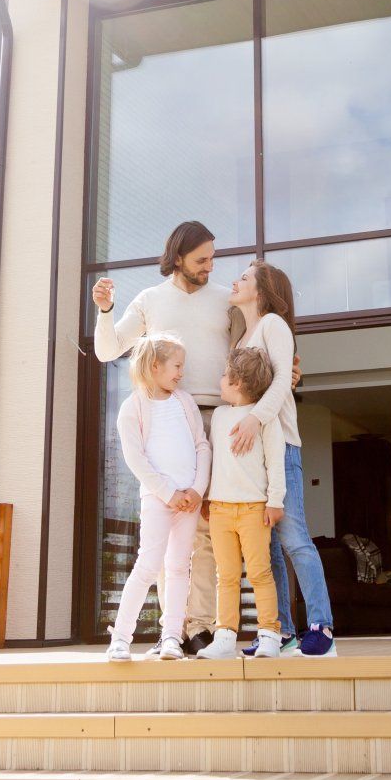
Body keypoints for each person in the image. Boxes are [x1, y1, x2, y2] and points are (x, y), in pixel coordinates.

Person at [92, 221, 236, 653]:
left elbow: (249, 352)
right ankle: (169, 630)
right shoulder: (150, 300)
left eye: (213, 257)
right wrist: (104, 310)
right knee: (166, 536)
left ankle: (198, 629)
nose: (211, 266)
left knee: (208, 529)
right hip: (165, 418)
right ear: (178, 259)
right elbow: (107, 349)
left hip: (215, 417)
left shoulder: (226, 300)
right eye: (202, 260)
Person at [228, 260, 336, 657]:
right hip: (252, 455)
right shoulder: (242, 334)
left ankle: (321, 626)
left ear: (262, 290)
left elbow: (279, 385)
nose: (235, 281)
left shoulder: (273, 324)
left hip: (281, 445)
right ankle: (282, 631)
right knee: (267, 546)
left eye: (244, 277)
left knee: (294, 539)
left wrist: (255, 419)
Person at [105, 332, 209, 662]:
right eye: (177, 365)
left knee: (179, 568)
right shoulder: (132, 408)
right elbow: (136, 459)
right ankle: (120, 637)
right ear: (155, 365)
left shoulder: (184, 401)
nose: (181, 372)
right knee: (148, 565)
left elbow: (201, 445)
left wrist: (196, 490)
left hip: (188, 502)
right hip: (158, 500)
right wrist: (168, 492)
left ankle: (171, 638)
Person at [199, 345, 285, 660]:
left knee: (260, 573)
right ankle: (224, 636)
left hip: (254, 509)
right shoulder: (219, 417)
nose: (220, 380)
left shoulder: (265, 419)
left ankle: (269, 634)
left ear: (237, 383)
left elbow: (275, 462)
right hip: (220, 508)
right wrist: (207, 496)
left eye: (224, 376)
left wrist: (275, 501)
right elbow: (212, 459)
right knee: (227, 574)